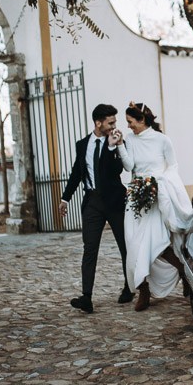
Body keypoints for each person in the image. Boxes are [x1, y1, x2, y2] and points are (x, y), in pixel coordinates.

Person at [116, 102, 193, 311]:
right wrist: (121, 145)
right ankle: (143, 287)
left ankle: (181, 275)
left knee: (157, 243)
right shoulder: (130, 139)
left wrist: (159, 183)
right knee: (133, 244)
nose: (129, 127)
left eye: (131, 122)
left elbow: (173, 166)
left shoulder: (162, 140)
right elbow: (130, 166)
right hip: (136, 197)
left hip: (157, 197)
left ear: (142, 120)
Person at [59, 103, 133, 314]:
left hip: (115, 202)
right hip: (92, 202)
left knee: (124, 246)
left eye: (115, 122)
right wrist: (65, 199)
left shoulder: (118, 141)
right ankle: (86, 297)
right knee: (89, 248)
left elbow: (117, 170)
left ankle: (129, 287)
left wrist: (112, 147)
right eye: (110, 122)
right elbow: (76, 172)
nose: (114, 126)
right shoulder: (82, 144)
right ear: (98, 123)